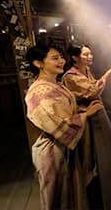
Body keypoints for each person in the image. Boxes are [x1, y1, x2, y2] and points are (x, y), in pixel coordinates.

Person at [24, 45, 103, 210]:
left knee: (71, 195)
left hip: (64, 149)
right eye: (55, 58)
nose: (61, 61)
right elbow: (56, 123)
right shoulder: (38, 92)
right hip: (53, 153)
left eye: (61, 57)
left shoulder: (56, 84)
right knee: (58, 198)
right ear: (39, 63)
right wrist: (85, 115)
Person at [62, 44, 111, 128]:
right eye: (86, 55)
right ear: (75, 58)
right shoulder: (71, 76)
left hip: (88, 107)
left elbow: (93, 84)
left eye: (90, 53)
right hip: (80, 113)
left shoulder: (85, 69)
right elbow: (93, 92)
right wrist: (109, 73)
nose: (90, 56)